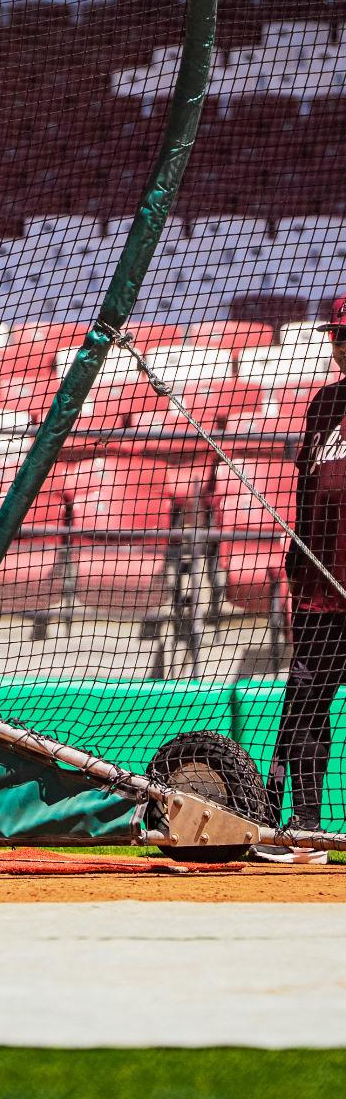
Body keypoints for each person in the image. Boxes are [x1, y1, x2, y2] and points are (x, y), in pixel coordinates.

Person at [255, 294, 346, 864]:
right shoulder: (325, 404)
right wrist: (299, 569)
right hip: (320, 599)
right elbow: (309, 498)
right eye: (339, 337)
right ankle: (306, 828)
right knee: (306, 712)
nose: (342, 346)